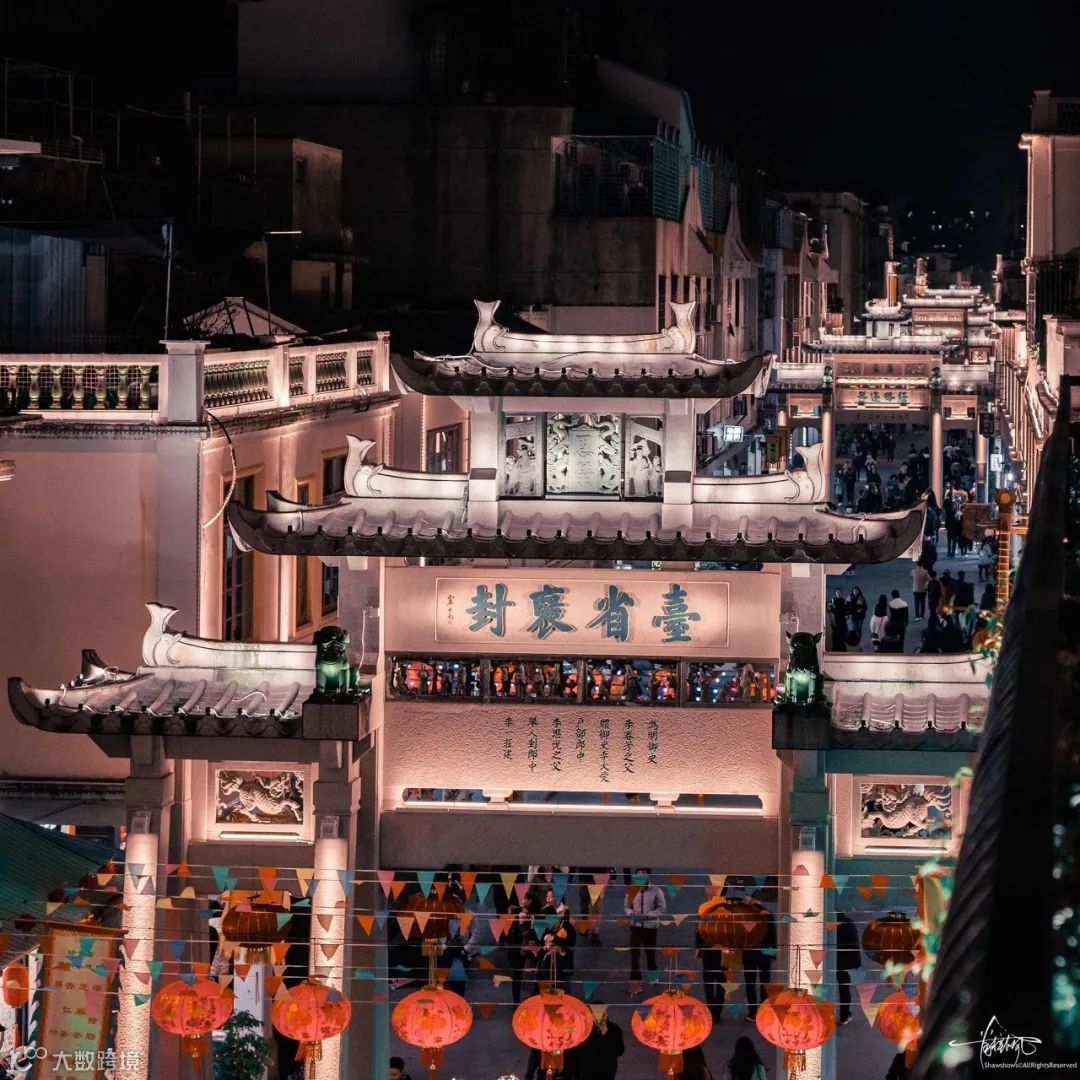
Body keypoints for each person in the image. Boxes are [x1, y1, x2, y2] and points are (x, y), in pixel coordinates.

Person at [625, 868, 666, 992]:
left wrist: (648, 915)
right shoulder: (632, 890)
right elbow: (626, 906)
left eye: (643, 873)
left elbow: (662, 909)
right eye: (638, 874)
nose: (640, 876)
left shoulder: (657, 891)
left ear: (648, 875)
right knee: (634, 955)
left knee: (650, 953)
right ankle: (636, 984)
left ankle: (653, 978)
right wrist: (631, 914)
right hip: (635, 927)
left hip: (650, 927)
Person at [567, 1001, 625, 1080]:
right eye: (595, 1013)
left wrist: (606, 1034)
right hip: (585, 1072)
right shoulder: (584, 1028)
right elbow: (574, 1050)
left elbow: (620, 1050)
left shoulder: (614, 1029)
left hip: (606, 1072)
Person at [743, 906, 776, 1020]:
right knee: (765, 982)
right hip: (765, 953)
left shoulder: (746, 914)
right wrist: (773, 953)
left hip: (750, 953)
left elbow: (742, 935)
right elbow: (773, 934)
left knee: (750, 983)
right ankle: (764, 1010)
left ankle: (753, 1012)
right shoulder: (768, 915)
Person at [696, 913, 727, 1022]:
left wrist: (698, 948)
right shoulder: (726, 914)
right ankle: (717, 1012)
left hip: (708, 954)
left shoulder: (705, 912)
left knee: (709, 984)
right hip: (723, 955)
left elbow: (699, 931)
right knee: (722, 984)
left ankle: (711, 1010)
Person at [836, 911, 861, 1024]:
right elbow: (854, 944)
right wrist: (856, 962)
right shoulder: (848, 922)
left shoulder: (825, 922)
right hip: (843, 961)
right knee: (844, 988)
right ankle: (844, 1016)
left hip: (826, 960)